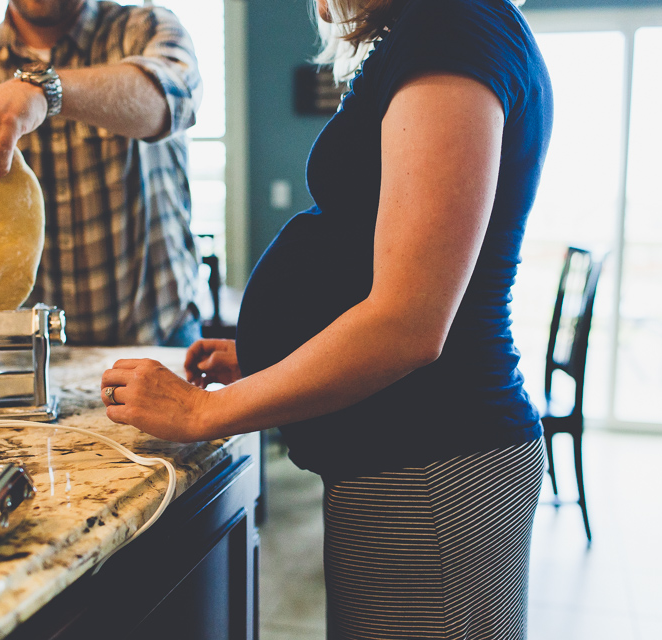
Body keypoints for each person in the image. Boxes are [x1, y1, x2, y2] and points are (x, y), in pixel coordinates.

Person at [101, 0, 552, 637]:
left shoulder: (454, 32)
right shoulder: (441, 32)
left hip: (429, 465)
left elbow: (409, 323)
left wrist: (200, 414)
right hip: (406, 458)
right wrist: (270, 356)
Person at [0, 0, 203, 347]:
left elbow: (173, 99)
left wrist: (43, 89)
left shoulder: (145, 28)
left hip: (157, 332)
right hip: (28, 354)